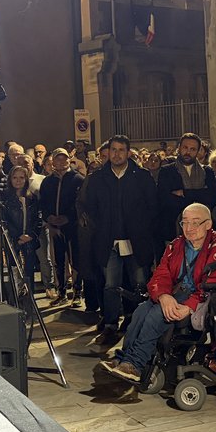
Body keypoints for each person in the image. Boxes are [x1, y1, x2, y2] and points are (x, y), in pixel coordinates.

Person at [100, 203, 216, 382]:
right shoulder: (177, 245)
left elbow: (215, 284)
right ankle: (123, 358)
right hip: (176, 292)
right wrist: (163, 296)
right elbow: (160, 275)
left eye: (195, 223)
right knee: (141, 311)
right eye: (185, 223)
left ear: (208, 224)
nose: (189, 228)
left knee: (157, 315)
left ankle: (135, 364)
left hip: (202, 298)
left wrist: (189, 307)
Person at [83, 135, 159, 347]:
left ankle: (137, 323)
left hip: (137, 240)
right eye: (113, 150)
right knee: (110, 285)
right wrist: (103, 227)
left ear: (128, 152)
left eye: (121, 150)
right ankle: (110, 326)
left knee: (140, 284)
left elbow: (152, 206)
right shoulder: (98, 178)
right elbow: (91, 207)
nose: (117, 154)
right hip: (108, 241)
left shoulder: (141, 177)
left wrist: (141, 227)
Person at [157, 133, 216, 245]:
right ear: (179, 147)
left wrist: (184, 193)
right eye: (185, 147)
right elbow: (165, 200)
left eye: (192, 149)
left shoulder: (207, 172)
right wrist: (199, 195)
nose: (188, 152)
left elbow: (212, 197)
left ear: (198, 151)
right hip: (173, 230)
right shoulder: (167, 171)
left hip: (202, 230)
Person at [41, 148, 85, 304]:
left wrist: (68, 218)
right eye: (57, 159)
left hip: (73, 227)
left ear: (69, 160)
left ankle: (78, 292)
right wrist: (49, 217)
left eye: (63, 159)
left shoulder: (78, 179)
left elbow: (81, 204)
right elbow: (43, 203)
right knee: (58, 261)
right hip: (54, 228)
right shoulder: (47, 182)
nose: (61, 162)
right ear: (52, 161)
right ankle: (62, 293)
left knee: (76, 260)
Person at [1, 165, 41, 287]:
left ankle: (29, 302)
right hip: (12, 241)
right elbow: (4, 221)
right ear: (10, 179)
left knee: (29, 274)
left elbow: (38, 219)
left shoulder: (32, 198)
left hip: (29, 241)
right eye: (15, 177)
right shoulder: (4, 198)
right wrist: (18, 236)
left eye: (21, 177)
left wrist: (31, 235)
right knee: (14, 274)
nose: (18, 180)